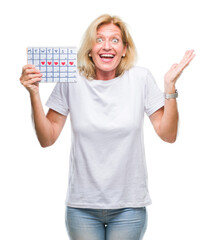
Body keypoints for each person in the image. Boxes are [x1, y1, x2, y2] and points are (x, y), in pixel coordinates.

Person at [20, 14, 195, 240]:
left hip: (129, 206)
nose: (106, 46)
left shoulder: (140, 78)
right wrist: (34, 93)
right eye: (99, 39)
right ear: (90, 49)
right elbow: (47, 138)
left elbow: (168, 135)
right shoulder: (71, 79)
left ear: (124, 49)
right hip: (82, 207)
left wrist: (169, 88)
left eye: (115, 40)